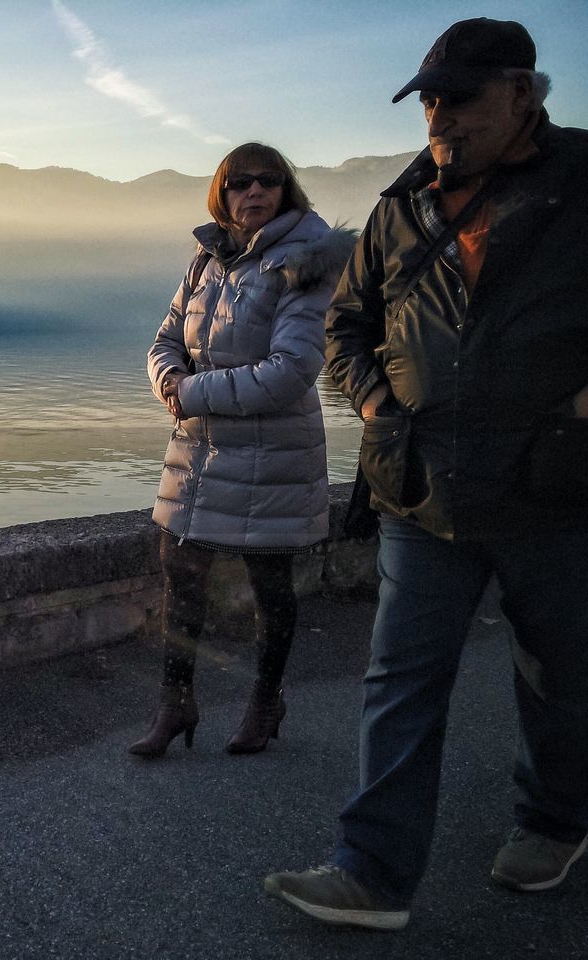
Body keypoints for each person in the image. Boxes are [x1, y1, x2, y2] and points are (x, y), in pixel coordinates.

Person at [265, 18, 588, 931]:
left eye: (461, 97)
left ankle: (556, 822)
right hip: (420, 486)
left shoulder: (581, 180)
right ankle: (371, 872)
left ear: (525, 93)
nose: (440, 117)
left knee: (561, 676)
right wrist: (373, 405)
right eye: (430, 99)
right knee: (399, 679)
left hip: (555, 490)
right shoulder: (400, 206)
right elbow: (345, 327)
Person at [130, 143, 353, 760]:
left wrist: (190, 390)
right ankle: (175, 703)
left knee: (270, 584)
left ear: (287, 190)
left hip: (274, 452)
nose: (253, 192)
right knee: (180, 572)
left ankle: (265, 699)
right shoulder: (207, 257)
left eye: (268, 181)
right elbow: (164, 340)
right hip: (199, 452)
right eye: (239, 183)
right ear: (221, 193)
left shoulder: (308, 260)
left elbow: (291, 370)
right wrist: (169, 382)